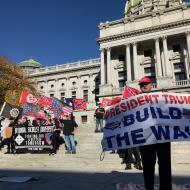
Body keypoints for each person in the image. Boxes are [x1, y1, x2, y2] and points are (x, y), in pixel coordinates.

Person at [138, 76, 172, 190]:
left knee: (165, 165)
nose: (144, 85)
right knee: (147, 166)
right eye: (142, 84)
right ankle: (149, 188)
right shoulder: (135, 101)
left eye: (146, 83)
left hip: (163, 135)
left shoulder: (161, 98)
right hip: (145, 138)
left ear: (151, 85)